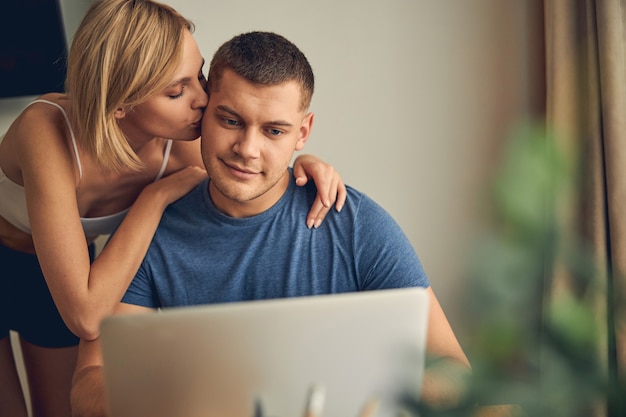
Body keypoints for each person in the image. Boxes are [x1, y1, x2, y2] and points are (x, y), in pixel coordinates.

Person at [70, 30, 471, 417]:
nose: (247, 149)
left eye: (274, 131)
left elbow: (452, 371)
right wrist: (194, 399)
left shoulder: (356, 225)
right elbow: (89, 388)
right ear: (203, 111)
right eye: (230, 121)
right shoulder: (152, 232)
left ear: (303, 133)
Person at [0, 1, 347, 416]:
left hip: (56, 273)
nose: (203, 99)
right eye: (176, 91)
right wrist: (155, 196)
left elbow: (255, 175)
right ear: (120, 104)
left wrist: (304, 168)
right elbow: (87, 316)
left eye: (198, 75)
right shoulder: (47, 130)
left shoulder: (184, 149)